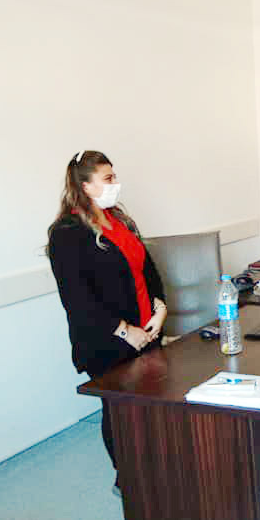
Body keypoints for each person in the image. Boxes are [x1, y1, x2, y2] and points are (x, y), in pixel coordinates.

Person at [47, 150, 167, 496]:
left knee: (150, 406)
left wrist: (159, 309)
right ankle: (126, 479)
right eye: (108, 178)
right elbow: (77, 299)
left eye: (115, 176)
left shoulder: (120, 221)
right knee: (120, 411)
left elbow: (148, 271)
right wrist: (125, 331)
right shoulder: (67, 233)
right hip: (107, 341)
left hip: (146, 331)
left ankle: (156, 470)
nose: (116, 184)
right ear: (85, 186)